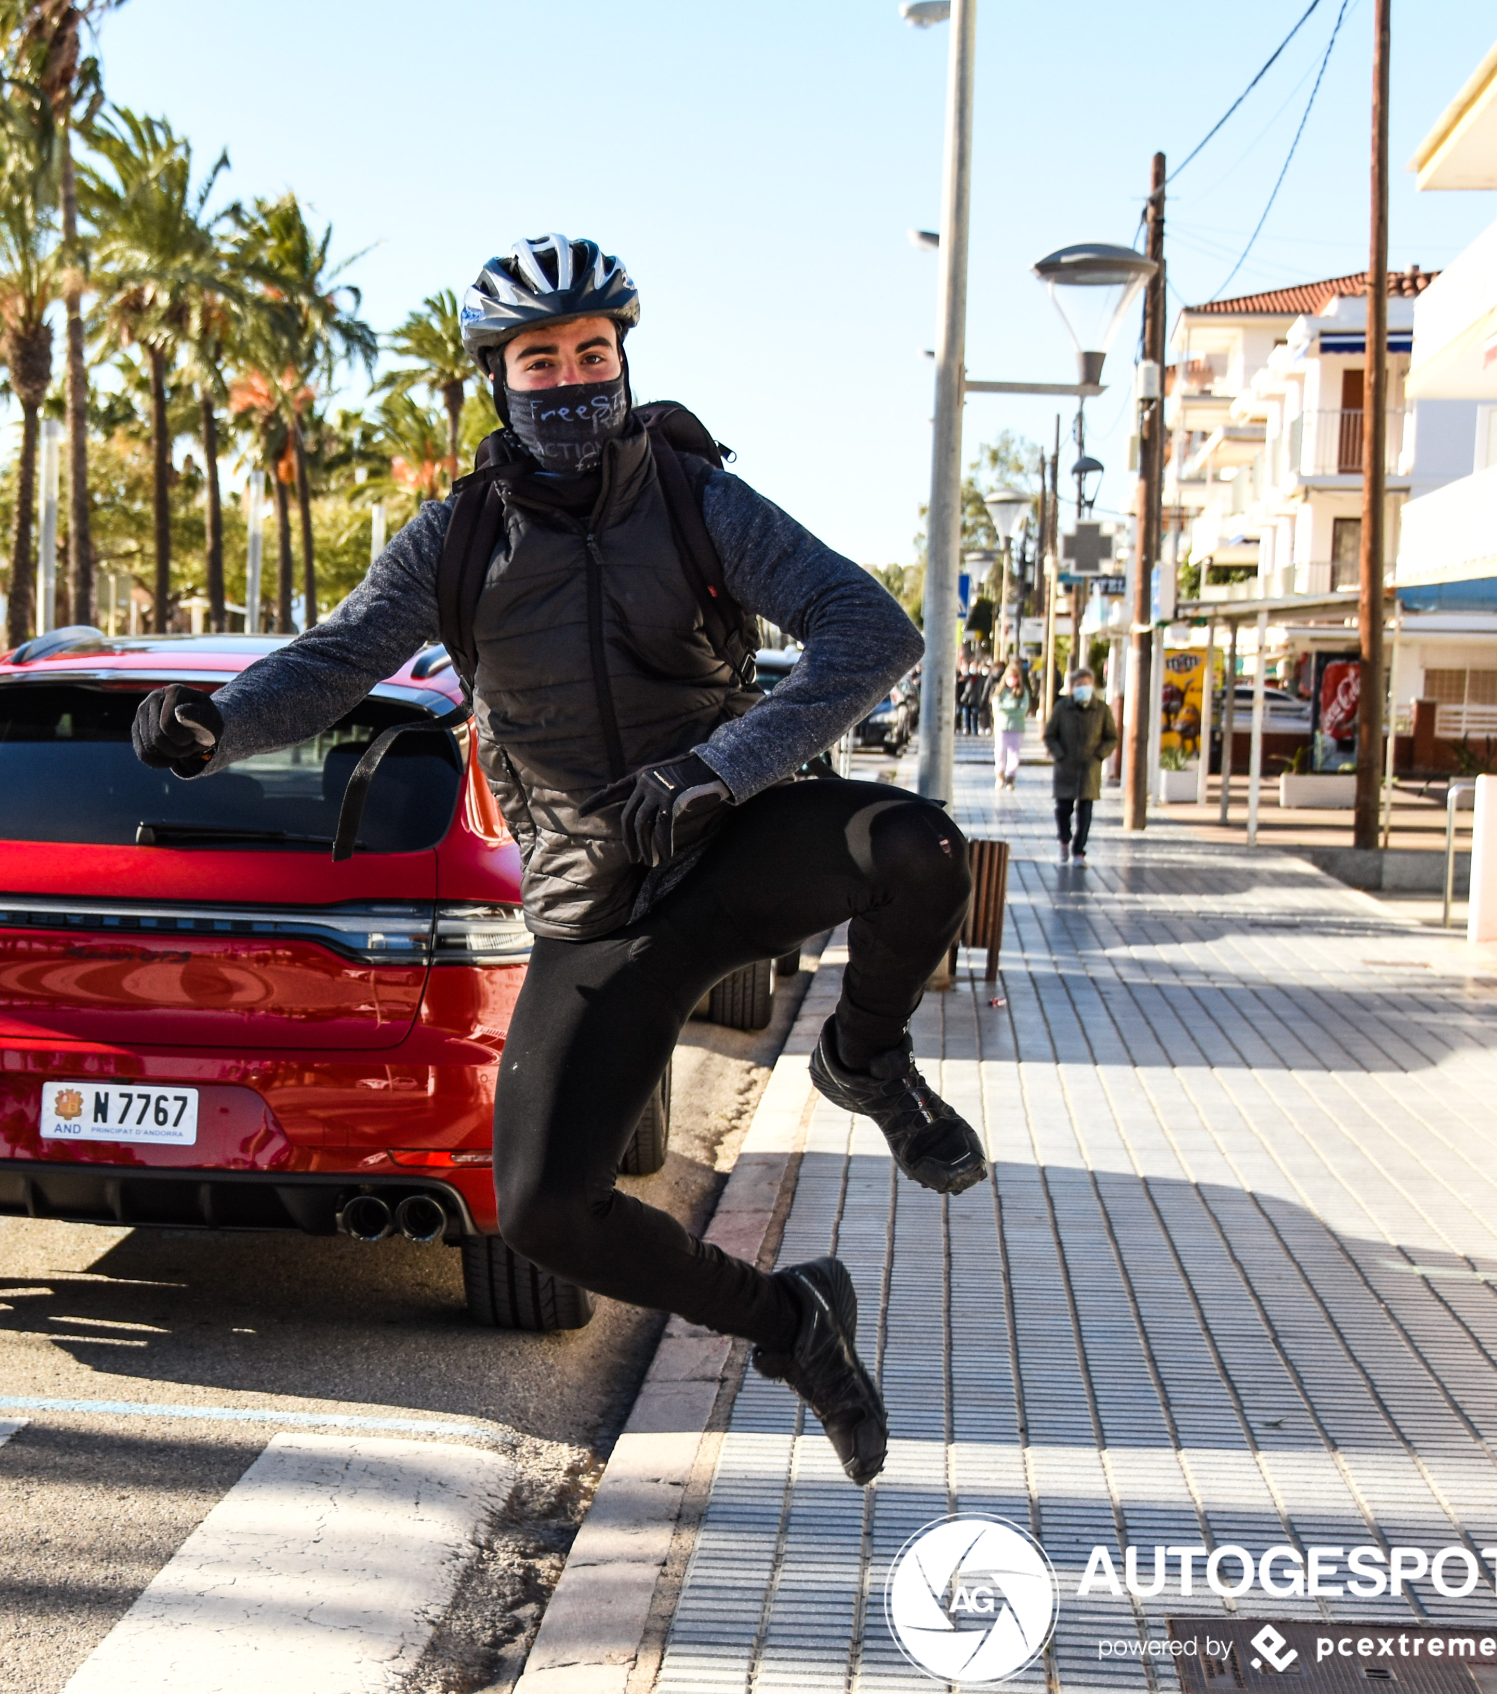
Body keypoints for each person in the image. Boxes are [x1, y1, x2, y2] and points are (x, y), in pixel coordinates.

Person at [132, 235, 986, 1487]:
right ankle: (791, 1322)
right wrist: (214, 726)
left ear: (625, 361)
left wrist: (718, 769)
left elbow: (870, 628)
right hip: (599, 902)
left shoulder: (697, 498)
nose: (575, 378)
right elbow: (331, 661)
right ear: (499, 380)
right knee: (539, 1211)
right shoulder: (456, 540)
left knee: (916, 846)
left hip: (727, 838)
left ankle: (862, 1058)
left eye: (595, 354)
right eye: (544, 359)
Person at [1044, 667, 1116, 864]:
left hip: (1089, 768)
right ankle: (1064, 840)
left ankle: (1079, 851)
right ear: (1072, 687)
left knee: (1086, 811)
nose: (1083, 688)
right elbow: (1050, 735)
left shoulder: (1101, 709)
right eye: (1079, 685)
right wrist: (1059, 754)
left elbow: (1111, 737)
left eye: (1086, 685)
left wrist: (1099, 755)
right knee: (1063, 809)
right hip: (1066, 767)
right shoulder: (1062, 708)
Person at [991, 659, 1032, 789]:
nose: (1012, 680)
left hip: (1017, 727)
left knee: (1014, 754)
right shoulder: (1000, 690)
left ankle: (1010, 778)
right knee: (999, 753)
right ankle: (1000, 776)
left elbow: (1023, 709)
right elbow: (997, 707)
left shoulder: (1022, 692)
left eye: (1014, 677)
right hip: (1001, 727)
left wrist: (1007, 709)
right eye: (1010, 677)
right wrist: (1013, 706)